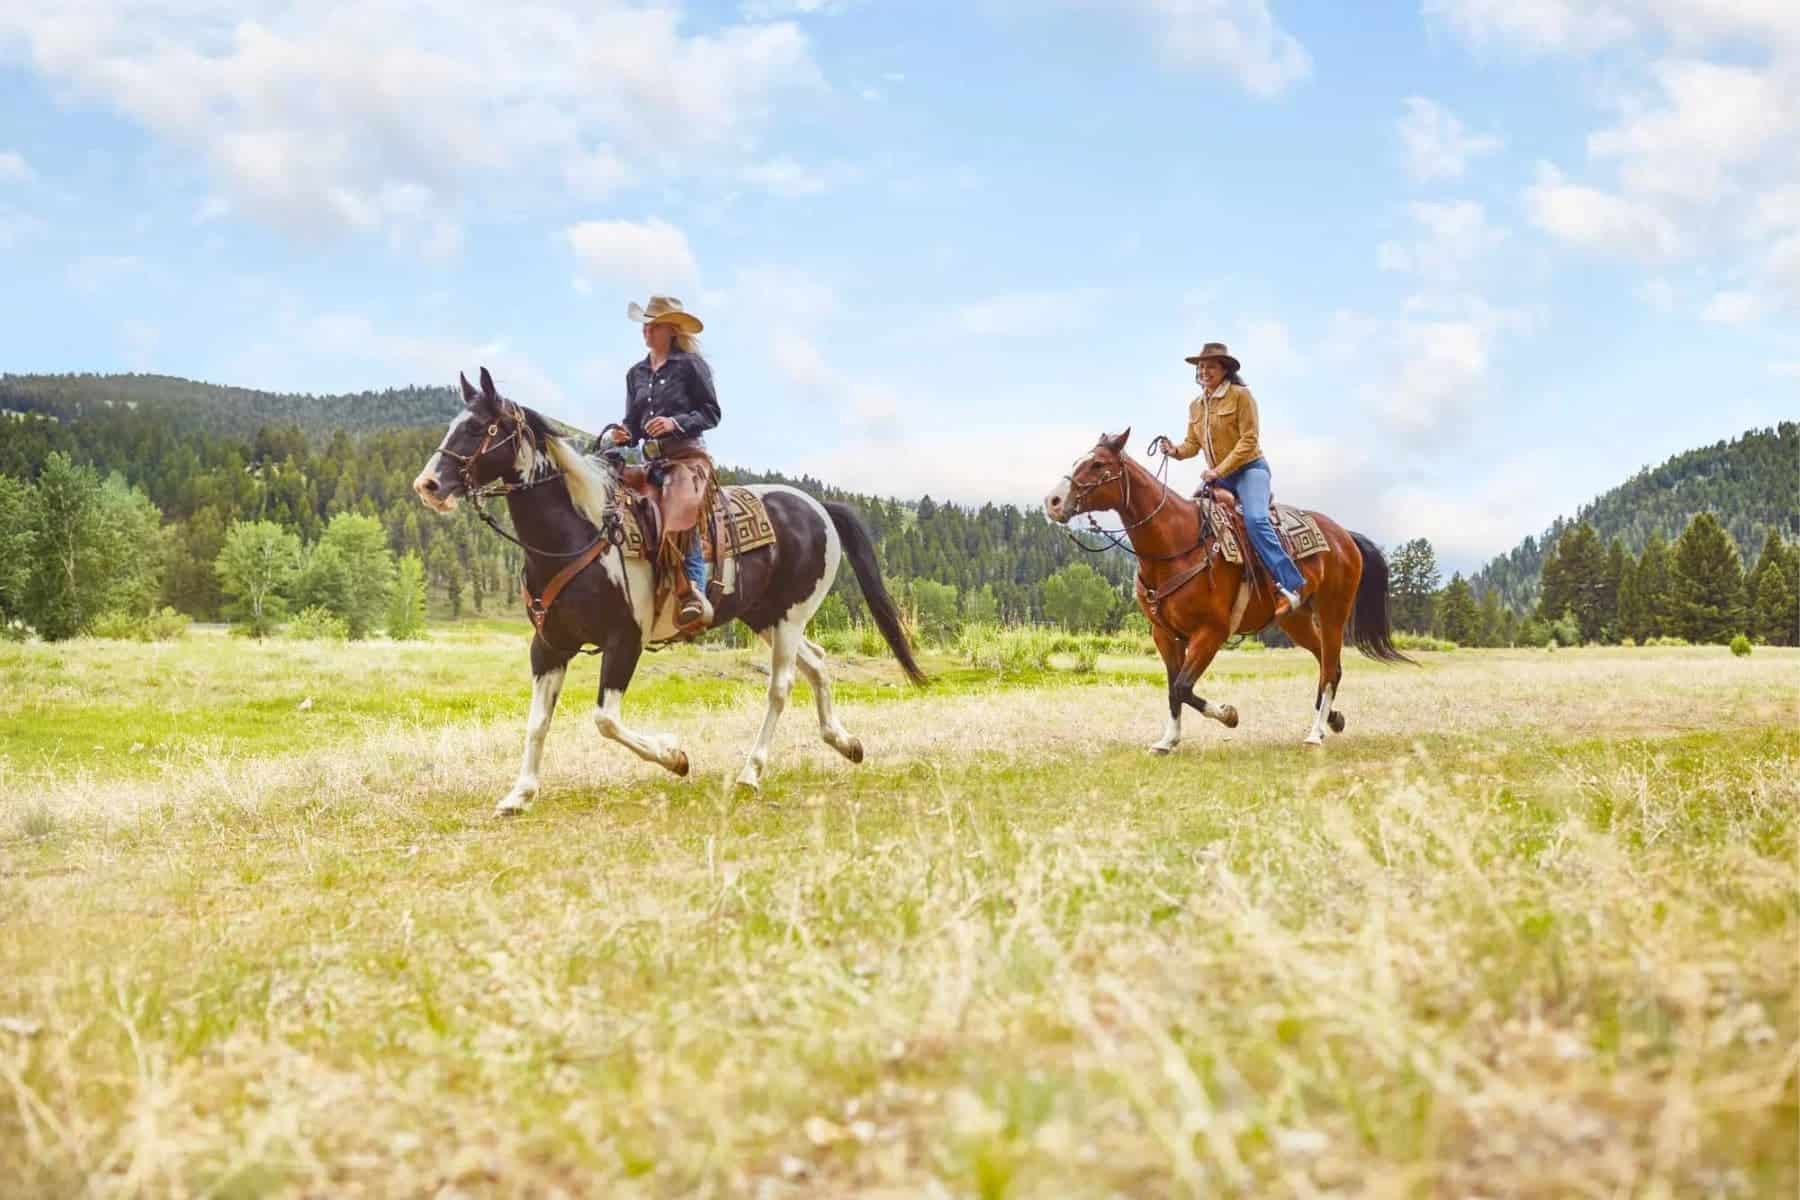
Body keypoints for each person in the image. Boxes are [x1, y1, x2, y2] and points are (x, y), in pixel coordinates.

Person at [1149, 342, 1309, 618]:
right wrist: (1174, 451)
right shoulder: (1196, 406)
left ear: (1225, 369)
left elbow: (1249, 441)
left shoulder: (1241, 396)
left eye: (1210, 366)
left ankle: (1292, 585)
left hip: (1250, 470)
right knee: (1190, 518)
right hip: (1219, 476)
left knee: (1256, 520)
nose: (1204, 371)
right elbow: (1191, 444)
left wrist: (1218, 471)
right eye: (1200, 366)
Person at [600, 295, 721, 629]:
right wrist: (625, 434)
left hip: (687, 458)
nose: (647, 330)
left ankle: (692, 591)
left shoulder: (691, 366)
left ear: (672, 330)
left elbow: (712, 414)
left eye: (654, 325)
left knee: (680, 508)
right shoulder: (635, 373)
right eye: (645, 324)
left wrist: (674, 423)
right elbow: (633, 424)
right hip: (651, 461)